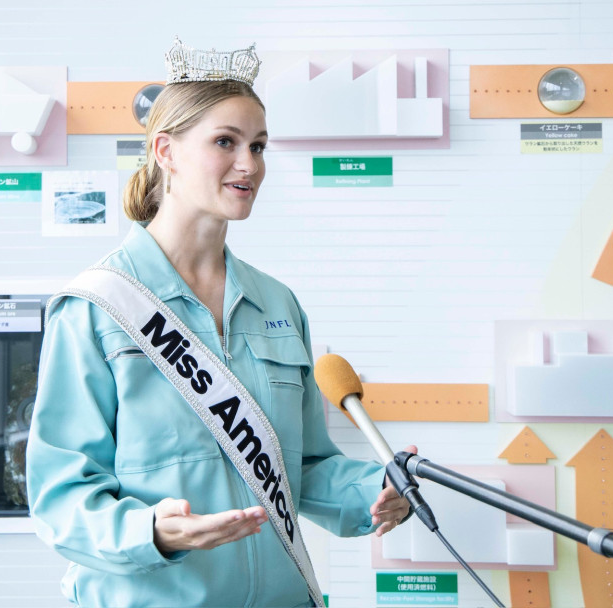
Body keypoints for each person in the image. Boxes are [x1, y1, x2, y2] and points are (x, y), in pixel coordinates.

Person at [27, 38, 412, 608]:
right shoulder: (95, 307)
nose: (249, 164)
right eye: (225, 142)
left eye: (258, 145)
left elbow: (301, 465)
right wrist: (152, 531)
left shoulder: (277, 303)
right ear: (166, 150)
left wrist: (373, 490)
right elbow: (61, 496)